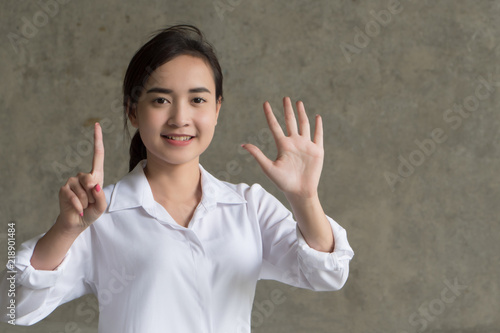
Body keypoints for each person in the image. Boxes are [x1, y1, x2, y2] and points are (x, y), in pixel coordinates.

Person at [0, 25, 354, 332]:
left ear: (217, 109)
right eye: (160, 101)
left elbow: (326, 274)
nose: (180, 118)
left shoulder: (249, 206)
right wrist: (66, 229)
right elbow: (12, 306)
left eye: (197, 99)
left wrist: (305, 197)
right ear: (132, 111)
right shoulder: (101, 215)